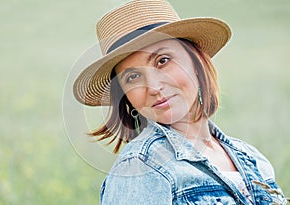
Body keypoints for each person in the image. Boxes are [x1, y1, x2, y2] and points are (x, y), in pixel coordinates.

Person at [73, 0, 287, 204]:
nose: (154, 87)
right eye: (133, 77)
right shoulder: (140, 167)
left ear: (195, 60)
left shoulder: (252, 158)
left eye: (163, 61)